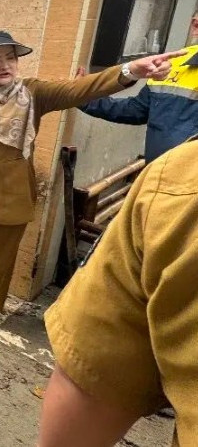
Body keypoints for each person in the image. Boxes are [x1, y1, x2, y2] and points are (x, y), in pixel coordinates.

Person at [0, 30, 184, 334]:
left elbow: (77, 90)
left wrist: (130, 71)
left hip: (7, 194)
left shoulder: (31, 94)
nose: (5, 65)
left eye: (10, 58)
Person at [38, 137, 198, 446]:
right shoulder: (177, 181)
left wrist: (115, 84)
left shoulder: (179, 181)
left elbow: (94, 368)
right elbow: (98, 365)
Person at [76, 10, 198, 162]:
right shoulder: (173, 65)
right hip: (157, 177)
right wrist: (82, 96)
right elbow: (135, 110)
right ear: (196, 26)